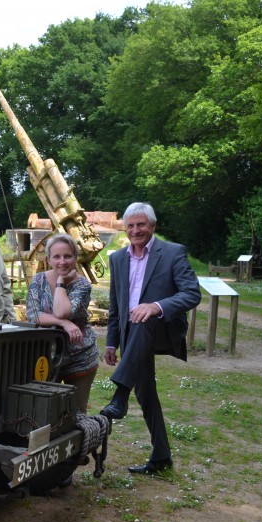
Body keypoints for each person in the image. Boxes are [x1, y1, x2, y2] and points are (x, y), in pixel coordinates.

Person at [100, 202, 201, 475]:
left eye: (141, 224)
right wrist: (112, 341)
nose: (136, 230)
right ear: (125, 228)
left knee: (144, 318)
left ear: (153, 226)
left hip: (162, 329)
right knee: (146, 394)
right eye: (130, 226)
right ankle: (161, 457)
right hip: (132, 337)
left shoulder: (172, 252)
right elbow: (116, 307)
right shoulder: (118, 258)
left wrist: (156, 306)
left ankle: (120, 395)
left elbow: (192, 293)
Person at [26, 233, 99, 413]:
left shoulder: (82, 285)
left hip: (80, 356)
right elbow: (33, 315)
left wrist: (60, 283)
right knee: (46, 409)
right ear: (49, 259)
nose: (62, 262)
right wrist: (65, 324)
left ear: (75, 258)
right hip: (47, 355)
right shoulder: (38, 280)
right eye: (56, 257)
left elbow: (62, 311)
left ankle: (79, 442)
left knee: (77, 410)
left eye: (67, 256)